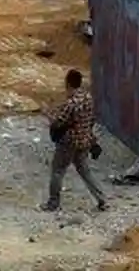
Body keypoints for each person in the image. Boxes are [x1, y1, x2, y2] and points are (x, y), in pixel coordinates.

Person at [42, 68, 107, 212]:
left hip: (68, 143)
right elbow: (90, 120)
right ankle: (102, 199)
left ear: (68, 84)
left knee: (58, 171)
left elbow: (58, 123)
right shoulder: (88, 98)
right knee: (85, 172)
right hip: (84, 142)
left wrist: (47, 113)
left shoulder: (71, 104)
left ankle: (53, 203)